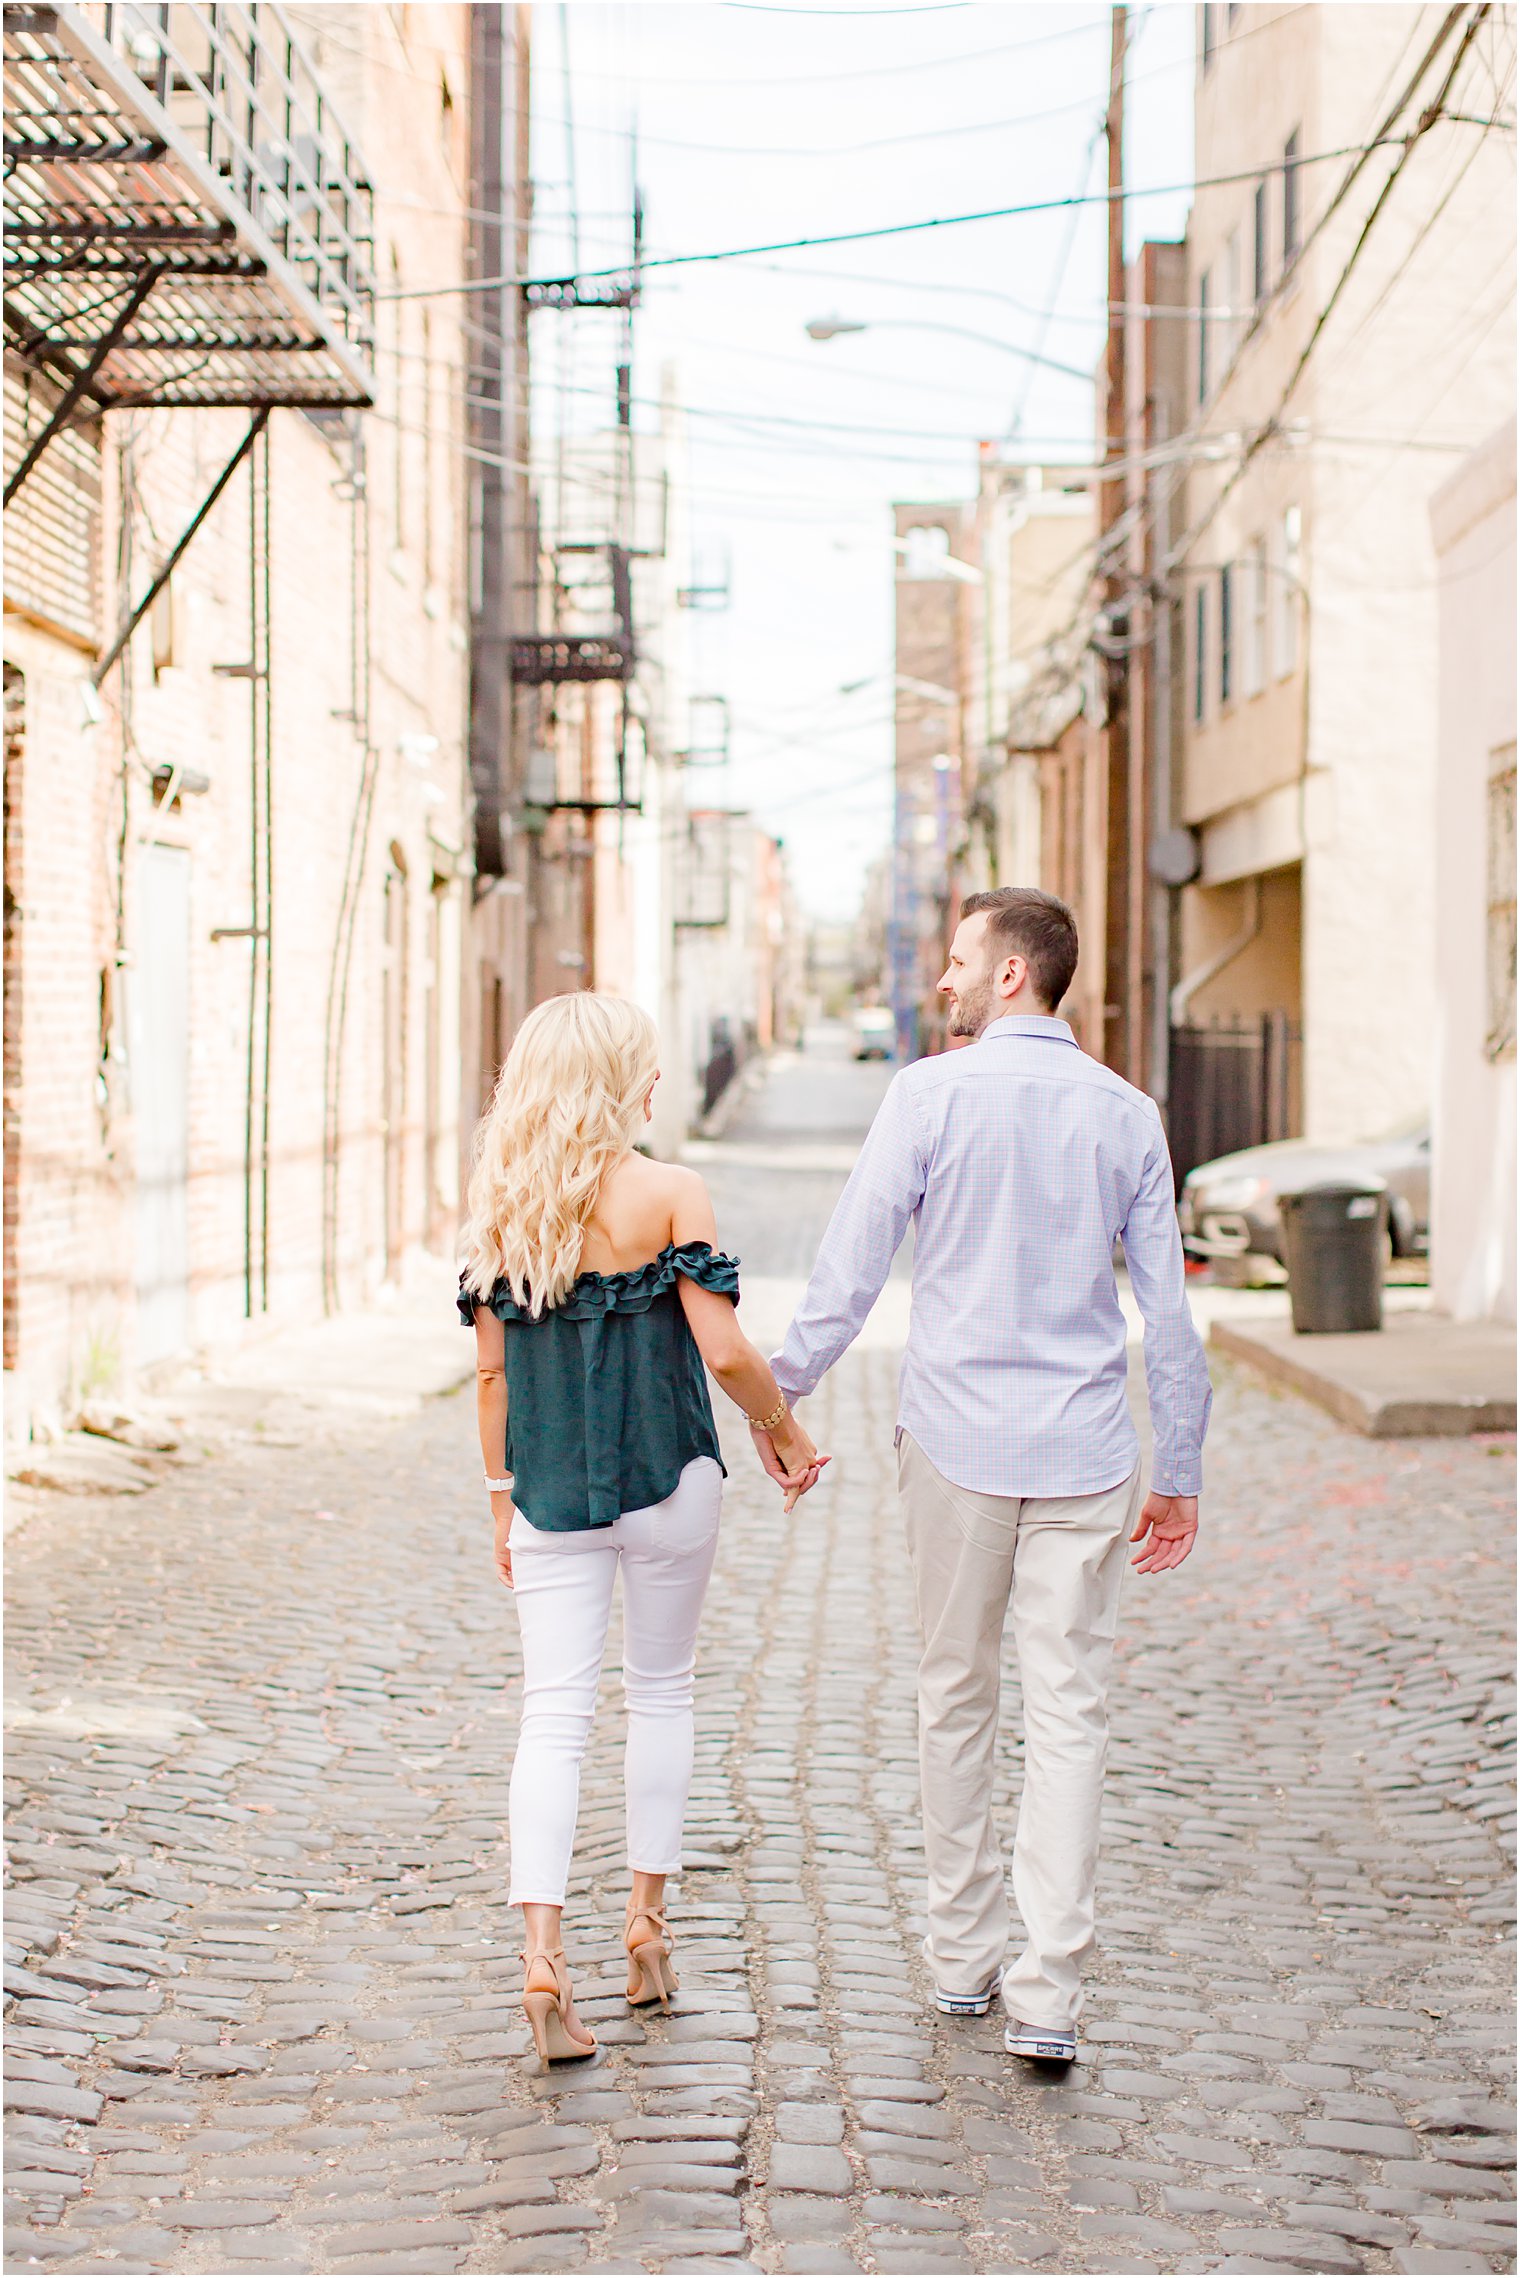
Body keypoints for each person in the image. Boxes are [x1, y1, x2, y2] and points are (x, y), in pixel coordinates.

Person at [760, 888, 1211, 2063]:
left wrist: (780, 1390)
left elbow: (852, 1262)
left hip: (957, 1445)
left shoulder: (926, 1095)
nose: (943, 978)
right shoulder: (1126, 1115)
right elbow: (1165, 1312)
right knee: (1069, 1712)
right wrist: (1181, 1464)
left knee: (953, 1694)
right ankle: (1047, 1991)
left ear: (1011, 973)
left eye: (959, 959)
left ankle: (962, 1960)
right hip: (1084, 1450)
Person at [460, 992, 827, 2069]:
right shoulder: (670, 1190)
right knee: (661, 1691)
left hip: (548, 1492)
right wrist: (784, 1430)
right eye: (644, 1069)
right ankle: (646, 1933)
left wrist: (498, 1500)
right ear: (614, 1082)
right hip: (669, 1476)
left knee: (553, 1713)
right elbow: (721, 1351)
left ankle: (540, 1955)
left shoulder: (499, 1208)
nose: (658, 1085)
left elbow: (489, 1377)